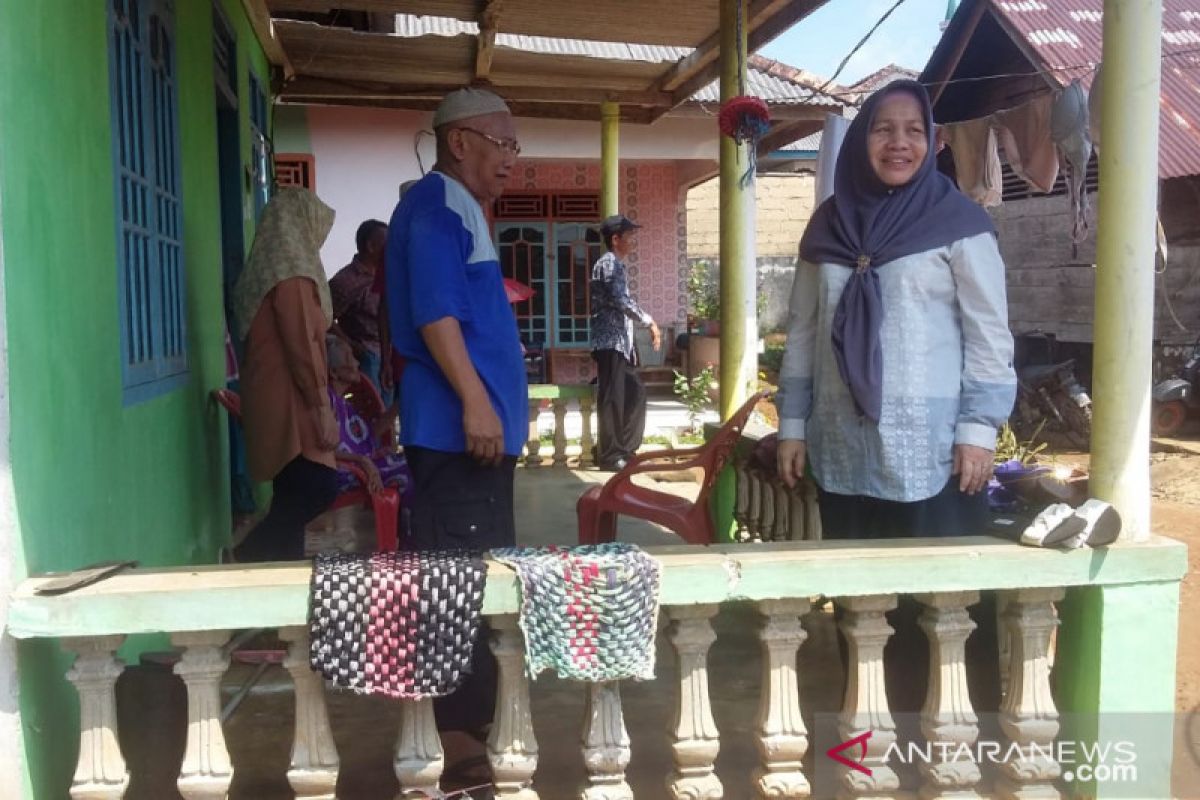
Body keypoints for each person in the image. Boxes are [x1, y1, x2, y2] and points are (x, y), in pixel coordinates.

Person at [774, 81, 1015, 725]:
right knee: (862, 602)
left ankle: (946, 737)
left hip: (933, 452)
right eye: (883, 129)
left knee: (937, 605)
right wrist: (791, 426)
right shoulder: (827, 225)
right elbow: (802, 331)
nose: (898, 143)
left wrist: (979, 429)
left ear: (932, 140)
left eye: (913, 130)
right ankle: (869, 730)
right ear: (862, 140)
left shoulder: (958, 223)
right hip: (843, 446)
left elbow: (988, 335)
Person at [384, 86, 526, 786]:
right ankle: (460, 749)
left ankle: (466, 734)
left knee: (471, 579)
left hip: (472, 438)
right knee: (458, 586)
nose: (512, 161)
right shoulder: (438, 206)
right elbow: (437, 315)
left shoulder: (456, 207)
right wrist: (476, 402)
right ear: (462, 140)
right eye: (504, 145)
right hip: (459, 435)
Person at [231, 188, 341, 562]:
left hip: (273, 394)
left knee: (293, 487)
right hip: (293, 396)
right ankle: (247, 554)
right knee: (319, 483)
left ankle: (274, 577)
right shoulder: (291, 273)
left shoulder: (265, 266)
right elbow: (303, 346)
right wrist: (320, 404)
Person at [589, 214, 661, 470]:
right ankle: (610, 456)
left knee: (634, 393)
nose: (632, 241)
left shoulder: (614, 264)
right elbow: (620, 300)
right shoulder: (609, 264)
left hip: (619, 343)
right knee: (612, 399)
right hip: (610, 343)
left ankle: (623, 449)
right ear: (615, 239)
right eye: (629, 236)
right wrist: (649, 321)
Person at [326, 335, 411, 501]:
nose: (357, 363)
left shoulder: (345, 405)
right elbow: (322, 451)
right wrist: (362, 460)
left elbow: (369, 435)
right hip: (349, 475)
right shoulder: (326, 402)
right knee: (412, 471)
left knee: (418, 461)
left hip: (366, 467)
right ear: (333, 372)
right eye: (349, 358)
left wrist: (403, 401)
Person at [330, 219, 391, 404]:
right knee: (373, 412)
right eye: (386, 242)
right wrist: (352, 345)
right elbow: (323, 318)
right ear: (371, 246)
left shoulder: (388, 274)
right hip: (368, 359)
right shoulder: (346, 281)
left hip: (389, 353)